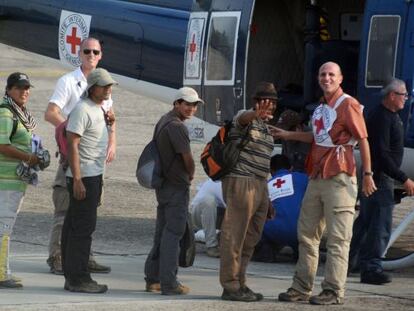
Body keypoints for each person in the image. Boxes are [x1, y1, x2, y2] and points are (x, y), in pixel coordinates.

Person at [273, 62, 376, 305]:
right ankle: (301, 286)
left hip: (339, 176)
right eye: (322, 74)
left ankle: (333, 290)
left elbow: (363, 140)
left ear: (340, 79)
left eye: (331, 74)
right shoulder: (321, 107)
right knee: (307, 234)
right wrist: (287, 135)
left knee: (338, 238)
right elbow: (317, 137)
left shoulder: (348, 104)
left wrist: (368, 174)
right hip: (317, 176)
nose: (326, 78)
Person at [44, 37, 114, 274]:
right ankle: (57, 258)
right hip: (72, 156)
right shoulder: (69, 81)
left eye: (96, 52)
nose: (91, 55)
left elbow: (110, 116)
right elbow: (51, 112)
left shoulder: (103, 82)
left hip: (94, 160)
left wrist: (111, 143)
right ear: (79, 52)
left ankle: (85, 257)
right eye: (87, 51)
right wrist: (73, 130)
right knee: (64, 209)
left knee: (88, 212)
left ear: (101, 55)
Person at [349, 78, 414, 285]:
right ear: (392, 95)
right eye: (404, 94)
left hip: (377, 177)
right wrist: (404, 178)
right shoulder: (382, 118)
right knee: (380, 226)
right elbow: (382, 154)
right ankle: (371, 268)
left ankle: (352, 261)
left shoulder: (387, 115)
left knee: (366, 222)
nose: (407, 98)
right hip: (379, 179)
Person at [219, 82, 276, 302]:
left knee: (251, 237)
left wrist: (267, 197)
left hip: (260, 184)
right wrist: (254, 113)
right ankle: (230, 286)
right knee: (234, 235)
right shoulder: (245, 118)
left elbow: (264, 163)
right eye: (265, 101)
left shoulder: (265, 127)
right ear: (256, 102)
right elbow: (241, 119)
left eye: (273, 102)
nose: (269, 105)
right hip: (241, 181)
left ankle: (240, 282)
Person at [61, 68, 117, 293]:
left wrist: (111, 122)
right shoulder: (82, 109)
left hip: (92, 175)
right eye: (104, 86)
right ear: (92, 87)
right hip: (84, 176)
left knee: (74, 227)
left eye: (109, 86)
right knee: (82, 229)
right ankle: (79, 279)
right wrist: (77, 179)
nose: (108, 90)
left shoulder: (99, 108)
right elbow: (72, 144)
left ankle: (73, 276)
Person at [144, 87, 203, 295]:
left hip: (163, 185)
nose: (191, 108)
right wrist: (191, 172)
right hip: (176, 186)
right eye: (186, 104)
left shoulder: (163, 121)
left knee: (162, 232)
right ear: (176, 103)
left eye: (194, 105)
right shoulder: (177, 127)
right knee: (174, 234)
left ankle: (153, 279)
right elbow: (187, 158)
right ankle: (169, 283)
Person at [0, 72, 40, 288]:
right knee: (4, 227)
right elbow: (2, 146)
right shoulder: (7, 114)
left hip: (15, 180)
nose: (24, 92)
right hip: (6, 181)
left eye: (26, 88)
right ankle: (1, 273)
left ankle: (3, 270)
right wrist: (29, 157)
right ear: (9, 90)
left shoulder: (20, 114)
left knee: (5, 226)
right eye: (19, 88)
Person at [259, 154, 308, 259]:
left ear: (271, 171)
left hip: (274, 231)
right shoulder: (303, 178)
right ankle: (300, 254)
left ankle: (266, 250)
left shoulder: (266, 184)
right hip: (301, 231)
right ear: (291, 168)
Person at [190, 178, 226, 258]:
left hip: (216, 216)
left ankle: (199, 236)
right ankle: (211, 246)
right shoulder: (221, 183)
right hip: (198, 218)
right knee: (208, 201)